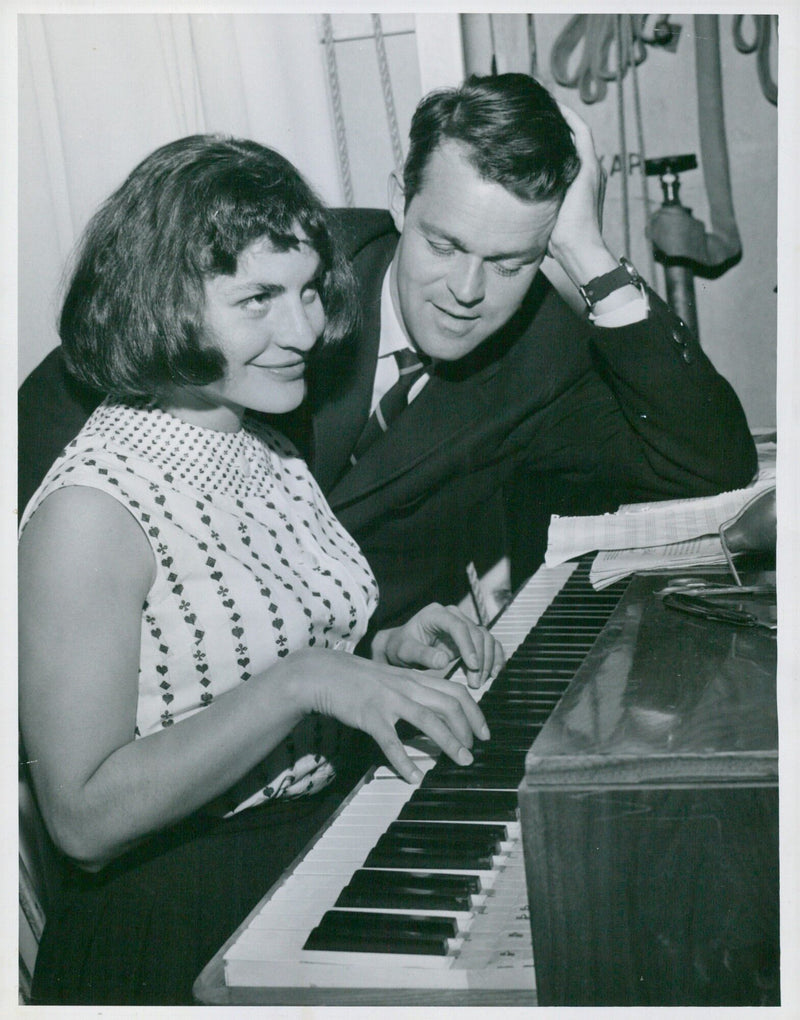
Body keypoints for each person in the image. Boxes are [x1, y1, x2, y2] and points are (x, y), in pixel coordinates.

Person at [18, 135, 504, 1005]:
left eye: (310, 288)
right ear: (162, 303)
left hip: (308, 861)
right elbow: (81, 819)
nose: (309, 329)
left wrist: (385, 656)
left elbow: (247, 654)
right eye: (259, 299)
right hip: (173, 923)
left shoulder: (264, 441)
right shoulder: (90, 510)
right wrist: (306, 682)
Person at [18, 74, 757, 639]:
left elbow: (710, 462)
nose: (468, 291)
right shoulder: (289, 269)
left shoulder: (541, 354)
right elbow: (65, 405)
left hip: (371, 716)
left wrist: (590, 255)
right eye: (444, 244)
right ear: (399, 203)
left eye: (511, 262)